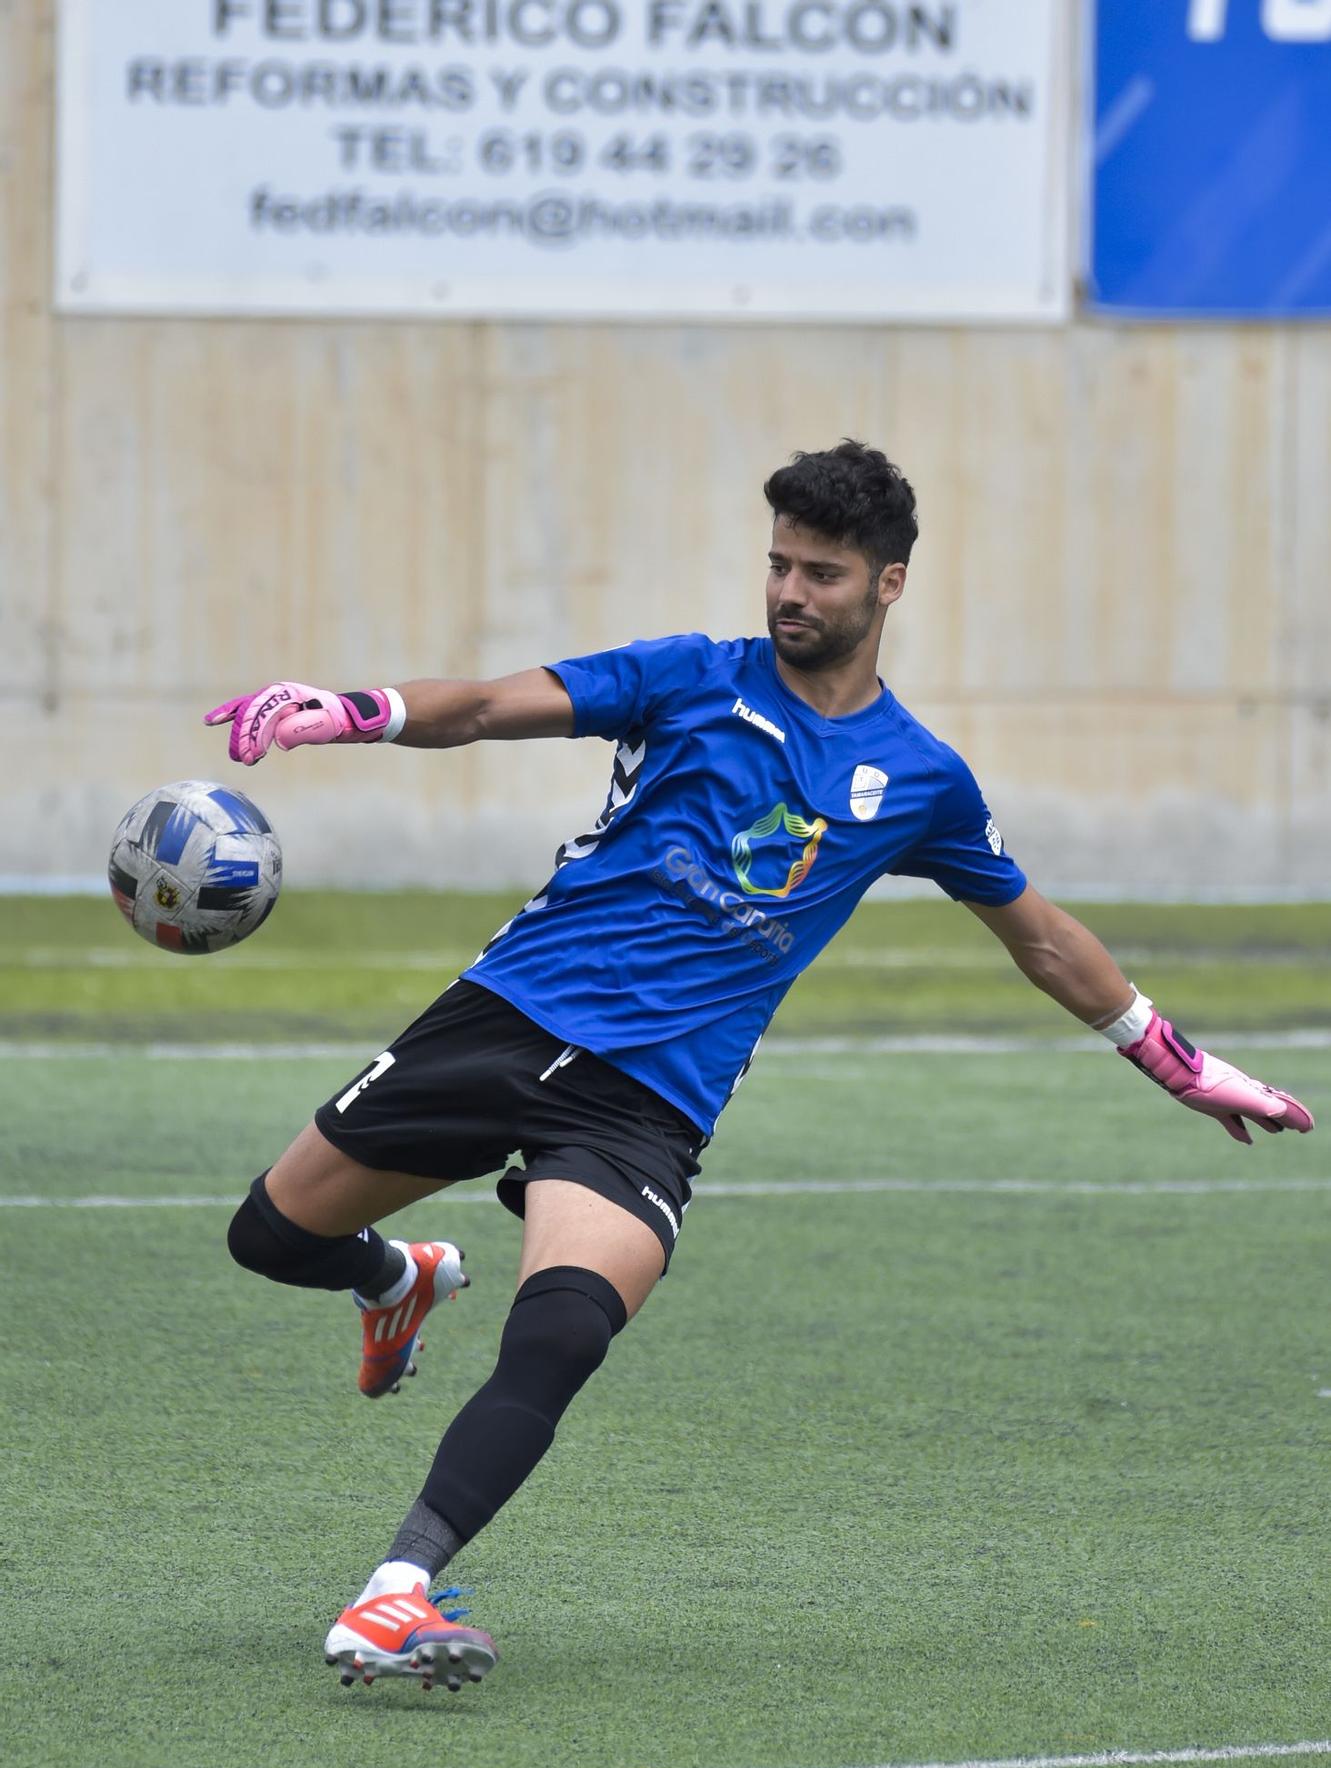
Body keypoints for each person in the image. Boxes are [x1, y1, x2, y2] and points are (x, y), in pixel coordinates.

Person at [206, 441, 1314, 1695]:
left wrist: (1176, 1063)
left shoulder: (919, 780)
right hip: (504, 1019)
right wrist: (351, 712)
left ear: (887, 585)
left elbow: (1042, 936)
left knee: (562, 1330)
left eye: (822, 572)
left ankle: (392, 1589)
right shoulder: (687, 678)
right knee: (268, 1238)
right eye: (778, 563)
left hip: (649, 1101)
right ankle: (395, 1278)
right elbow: (481, 706)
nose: (789, 591)